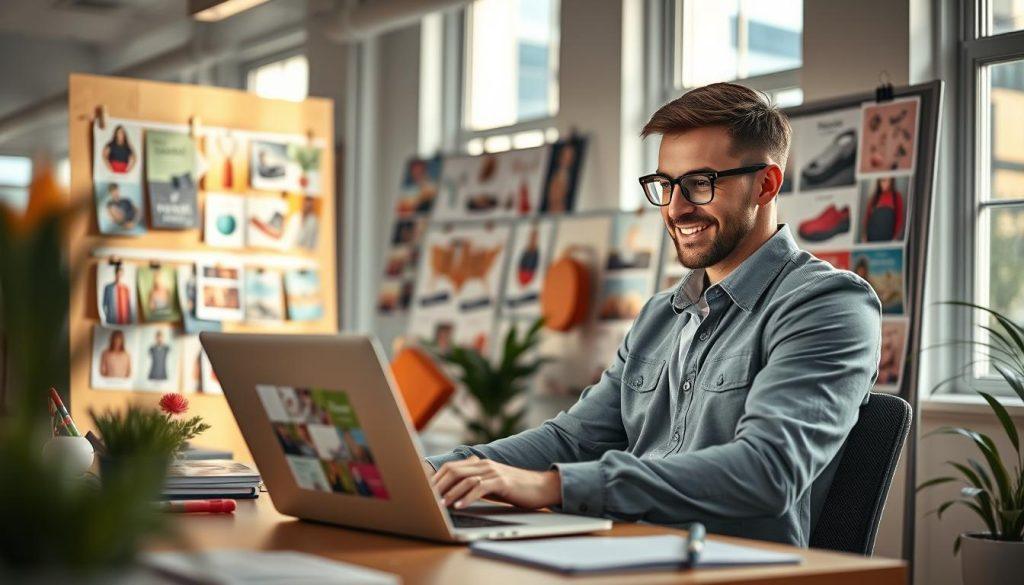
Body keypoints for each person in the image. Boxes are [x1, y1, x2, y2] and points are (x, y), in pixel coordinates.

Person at [426, 83, 882, 547]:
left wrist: (556, 486)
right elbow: (573, 440)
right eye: (666, 185)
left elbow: (767, 471)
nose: (676, 208)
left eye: (700, 183)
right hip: (623, 552)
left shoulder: (829, 305)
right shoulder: (661, 316)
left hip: (729, 567)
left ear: (766, 185)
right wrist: (433, 471)